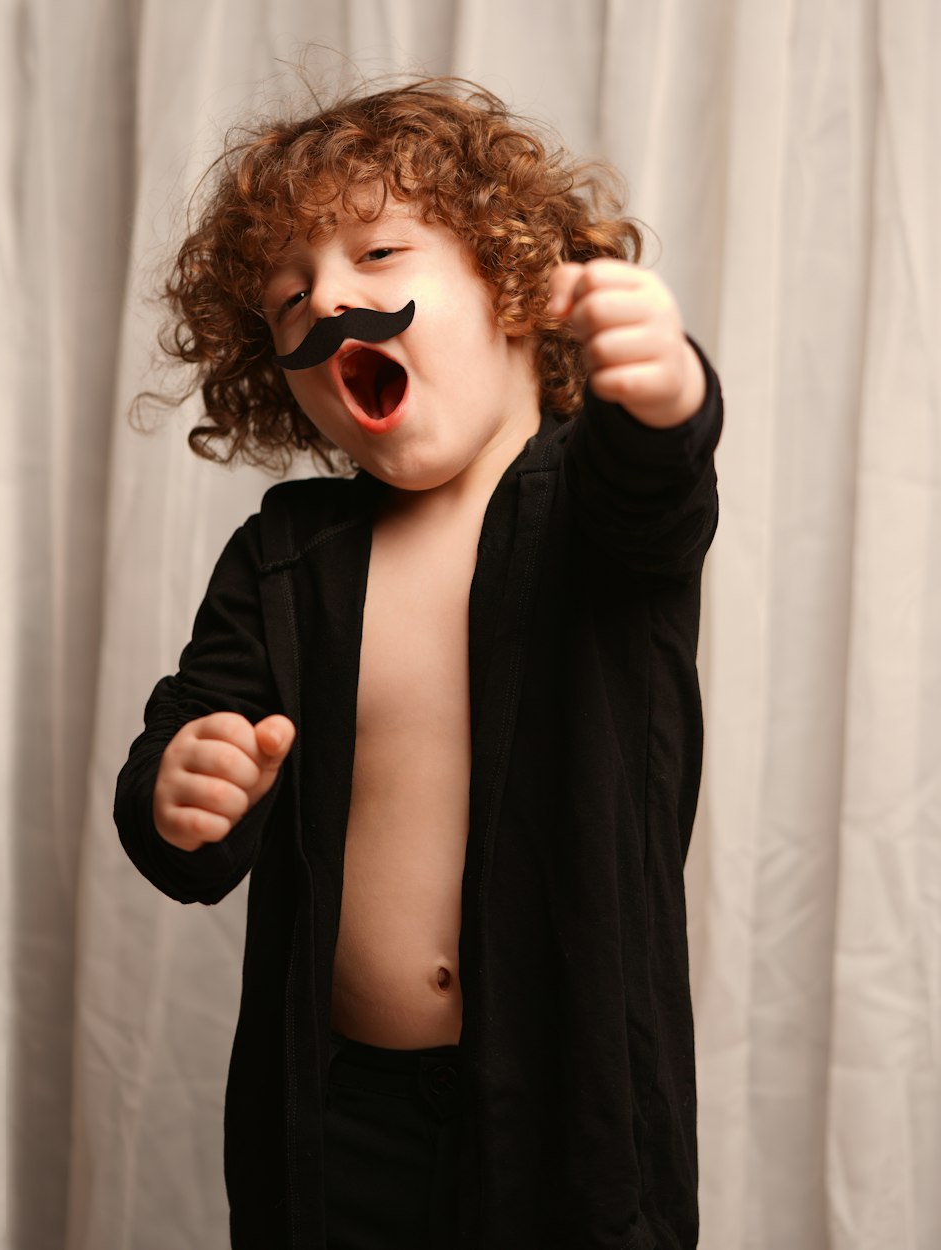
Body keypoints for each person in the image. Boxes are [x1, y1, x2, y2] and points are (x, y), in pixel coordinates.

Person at [115, 76, 722, 1250]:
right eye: (290, 294)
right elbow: (189, 762)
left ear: (509, 284)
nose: (329, 297)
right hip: (339, 1115)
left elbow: (659, 492)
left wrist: (668, 392)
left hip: (567, 1109)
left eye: (378, 250)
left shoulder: (587, 511)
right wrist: (178, 787)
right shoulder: (286, 556)